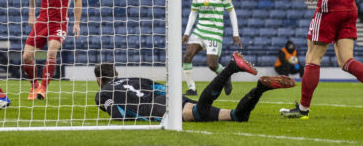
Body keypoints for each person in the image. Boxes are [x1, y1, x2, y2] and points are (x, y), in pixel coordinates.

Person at [95, 51, 295, 122]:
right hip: (168, 99)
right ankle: (260, 87)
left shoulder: (103, 93)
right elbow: (164, 89)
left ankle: (231, 68)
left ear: (98, 81)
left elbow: (117, 115)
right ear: (117, 74)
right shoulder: (134, 79)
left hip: (154, 109)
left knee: (199, 113)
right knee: (236, 116)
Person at [23, 0, 82, 100]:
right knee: (27, 57)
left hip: (59, 23)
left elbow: (78, 1)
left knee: (52, 52)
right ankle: (34, 87)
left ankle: (43, 88)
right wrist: (31, 15)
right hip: (42, 21)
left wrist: (77, 23)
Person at [182, 0, 242, 96]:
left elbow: (231, 11)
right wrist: (187, 33)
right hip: (199, 31)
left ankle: (226, 76)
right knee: (187, 56)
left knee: (212, 64)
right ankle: (192, 88)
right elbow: (193, 13)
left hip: (214, 33)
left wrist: (235, 33)